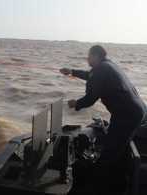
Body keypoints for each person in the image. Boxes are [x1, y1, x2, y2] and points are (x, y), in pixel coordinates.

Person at [60, 45, 146, 195]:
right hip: (135, 112)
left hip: (127, 116)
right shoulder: (108, 66)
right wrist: (72, 72)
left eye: (89, 56)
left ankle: (101, 187)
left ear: (97, 56)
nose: (87, 58)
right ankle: (118, 180)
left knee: (109, 154)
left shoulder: (102, 70)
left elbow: (91, 98)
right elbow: (90, 75)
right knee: (118, 147)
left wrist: (76, 104)